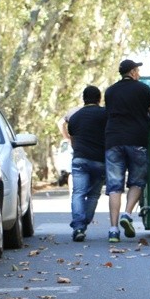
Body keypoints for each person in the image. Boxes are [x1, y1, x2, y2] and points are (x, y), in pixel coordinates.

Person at [103, 59, 150, 243]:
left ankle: (112, 230)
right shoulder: (143, 89)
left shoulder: (109, 91)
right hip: (136, 140)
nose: (139, 74)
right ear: (133, 72)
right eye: (137, 71)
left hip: (113, 141)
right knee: (137, 181)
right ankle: (127, 214)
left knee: (114, 186)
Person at [66, 85, 108, 242]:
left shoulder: (75, 117)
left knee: (78, 193)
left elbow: (73, 139)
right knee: (93, 195)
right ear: (99, 99)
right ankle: (83, 225)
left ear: (83, 99)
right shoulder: (105, 114)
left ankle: (78, 227)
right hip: (99, 160)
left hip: (80, 159)